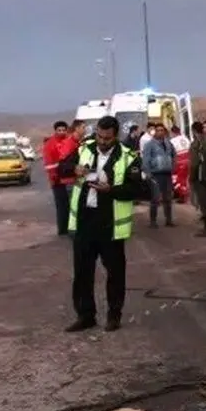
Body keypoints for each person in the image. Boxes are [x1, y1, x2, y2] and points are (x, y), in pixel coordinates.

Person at [57, 115, 148, 332]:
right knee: (82, 273)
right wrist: (74, 169)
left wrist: (112, 190)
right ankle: (85, 315)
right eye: (99, 136)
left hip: (110, 224)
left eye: (107, 138)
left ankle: (113, 316)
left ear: (115, 136)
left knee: (115, 274)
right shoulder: (84, 149)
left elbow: (139, 190)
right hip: (85, 222)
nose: (102, 141)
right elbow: (62, 167)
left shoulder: (129, 157)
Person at [43, 120, 85, 236]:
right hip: (57, 179)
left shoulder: (69, 141)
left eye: (63, 130)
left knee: (70, 205)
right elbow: (49, 164)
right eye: (59, 130)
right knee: (62, 206)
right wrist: (54, 177)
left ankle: (70, 228)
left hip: (67, 178)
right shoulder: (50, 144)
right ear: (55, 131)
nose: (61, 132)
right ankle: (62, 229)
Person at [142, 123, 177, 228]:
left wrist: (173, 166)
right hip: (155, 174)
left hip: (167, 174)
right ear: (155, 132)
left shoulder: (168, 143)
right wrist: (147, 173)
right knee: (155, 198)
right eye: (158, 130)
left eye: (162, 130)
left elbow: (174, 154)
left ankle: (169, 220)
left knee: (168, 198)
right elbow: (145, 160)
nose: (160, 132)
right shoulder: (149, 145)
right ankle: (153, 222)